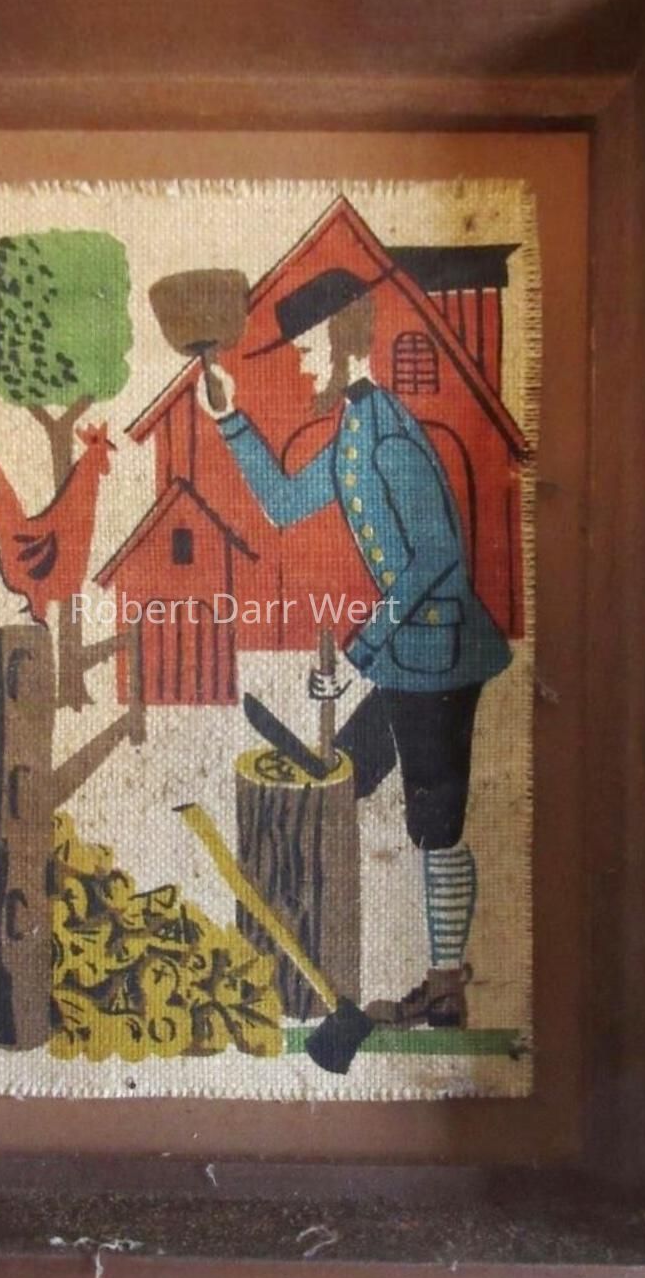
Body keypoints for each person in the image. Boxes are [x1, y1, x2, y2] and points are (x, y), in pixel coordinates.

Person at [198, 268, 511, 1028]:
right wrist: (230, 418)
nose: (304, 365)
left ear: (342, 341)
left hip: (440, 655)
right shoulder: (353, 433)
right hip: (411, 654)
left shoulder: (389, 433)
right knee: (343, 777)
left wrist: (360, 649)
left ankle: (444, 985)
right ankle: (315, 953)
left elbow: (437, 556)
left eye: (309, 350)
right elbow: (282, 505)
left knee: (434, 821)